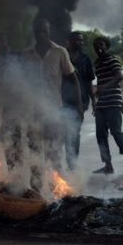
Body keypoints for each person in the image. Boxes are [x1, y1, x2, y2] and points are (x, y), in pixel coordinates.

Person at [23, 18, 82, 186]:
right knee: (34, 149)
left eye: (44, 31)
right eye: (38, 31)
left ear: (49, 32)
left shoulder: (60, 52)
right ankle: (37, 186)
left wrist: (79, 106)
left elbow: (73, 79)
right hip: (33, 110)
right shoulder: (28, 54)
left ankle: (56, 186)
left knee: (53, 150)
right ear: (34, 32)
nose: (41, 34)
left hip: (54, 109)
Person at [92, 36, 123, 175]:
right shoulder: (97, 63)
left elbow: (119, 76)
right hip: (102, 103)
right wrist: (96, 99)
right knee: (100, 134)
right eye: (96, 46)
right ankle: (108, 165)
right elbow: (99, 82)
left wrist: (103, 87)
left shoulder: (113, 60)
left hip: (113, 101)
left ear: (107, 46)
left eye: (101, 44)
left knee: (116, 132)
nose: (99, 47)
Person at [62, 31, 95, 170]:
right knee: (64, 132)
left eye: (82, 40)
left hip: (80, 102)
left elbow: (88, 82)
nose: (80, 43)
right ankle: (65, 162)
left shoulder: (85, 59)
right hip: (62, 100)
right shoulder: (63, 56)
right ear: (69, 41)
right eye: (77, 40)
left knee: (75, 132)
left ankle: (72, 163)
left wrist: (94, 101)